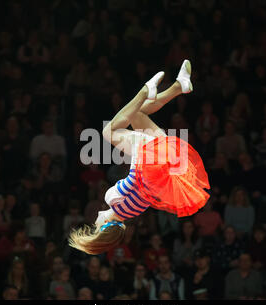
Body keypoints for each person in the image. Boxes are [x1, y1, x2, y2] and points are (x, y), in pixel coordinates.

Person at [69, 60, 210, 255]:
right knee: (109, 131)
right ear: (104, 226)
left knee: (137, 113)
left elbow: (145, 189)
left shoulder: (128, 213)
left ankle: (179, 86)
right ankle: (146, 90)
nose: (94, 220)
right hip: (151, 157)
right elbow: (140, 180)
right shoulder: (114, 202)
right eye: (95, 226)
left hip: (162, 160)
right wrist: (140, 151)